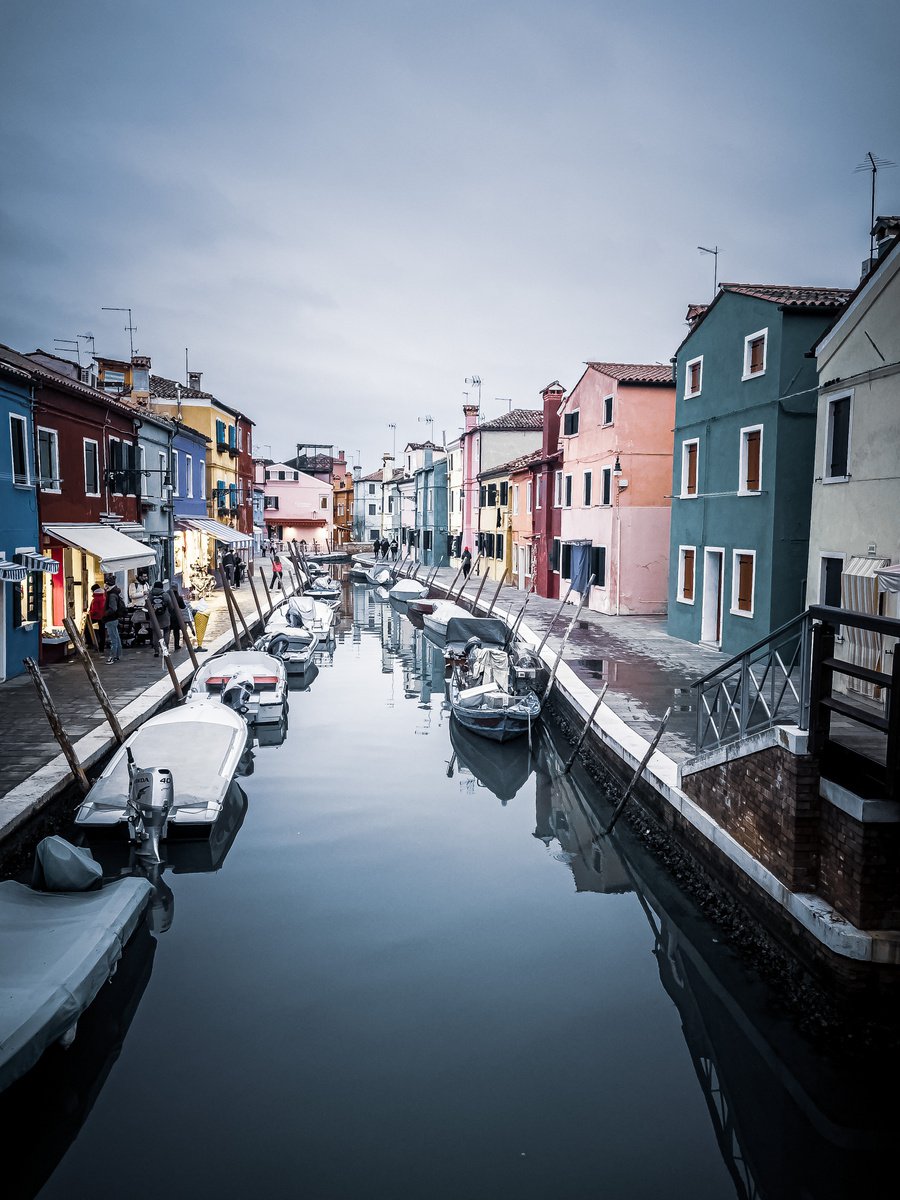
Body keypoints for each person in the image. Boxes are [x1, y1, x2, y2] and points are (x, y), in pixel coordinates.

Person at [148, 579, 174, 656]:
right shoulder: (165, 594)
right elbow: (171, 606)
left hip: (154, 616)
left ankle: (156, 651)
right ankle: (165, 649)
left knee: (155, 633)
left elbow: (147, 605)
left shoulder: (150, 595)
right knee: (166, 631)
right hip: (164, 616)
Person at [129, 569, 151, 645]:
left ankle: (146, 637)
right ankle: (139, 639)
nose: (145, 578)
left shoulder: (146, 584)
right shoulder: (133, 585)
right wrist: (142, 593)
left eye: (146, 576)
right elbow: (132, 595)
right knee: (137, 624)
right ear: (140, 577)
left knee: (147, 624)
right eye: (144, 576)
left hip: (146, 608)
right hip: (137, 608)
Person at [104, 581, 124, 663]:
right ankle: (118, 655)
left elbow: (113, 608)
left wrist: (105, 614)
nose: (104, 586)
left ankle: (112, 656)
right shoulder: (114, 593)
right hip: (114, 619)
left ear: (108, 585)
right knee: (116, 637)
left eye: (105, 585)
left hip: (111, 619)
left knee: (113, 639)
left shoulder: (111, 595)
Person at [87, 583, 107, 651]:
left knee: (87, 627)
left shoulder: (96, 598)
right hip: (103, 616)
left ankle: (90, 643)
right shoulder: (103, 596)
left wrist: (89, 613)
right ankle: (102, 647)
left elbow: (95, 610)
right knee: (102, 632)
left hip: (96, 616)